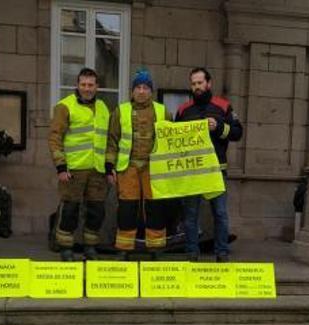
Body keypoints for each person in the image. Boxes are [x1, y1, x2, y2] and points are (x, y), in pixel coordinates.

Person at [175, 67, 243, 262]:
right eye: (193, 84)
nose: (196, 87)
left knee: (220, 214)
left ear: (209, 83)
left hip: (216, 171)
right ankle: (192, 253)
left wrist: (220, 127)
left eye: (200, 83)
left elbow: (238, 133)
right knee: (190, 216)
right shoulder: (183, 110)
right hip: (192, 172)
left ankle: (222, 253)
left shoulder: (223, 106)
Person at [48, 67, 113, 261]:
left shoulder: (103, 107)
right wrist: (60, 166)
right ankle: (65, 248)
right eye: (83, 85)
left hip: (98, 170)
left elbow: (108, 139)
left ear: (97, 86)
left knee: (96, 211)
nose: (87, 88)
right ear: (77, 85)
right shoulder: (65, 106)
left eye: (91, 85)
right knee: (70, 210)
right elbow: (55, 137)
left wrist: (109, 167)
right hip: (73, 169)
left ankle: (90, 248)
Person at [105, 69, 169, 258]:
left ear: (151, 91)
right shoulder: (121, 111)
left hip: (153, 168)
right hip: (128, 167)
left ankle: (155, 248)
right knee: (127, 208)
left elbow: (171, 140)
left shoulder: (163, 111)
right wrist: (110, 167)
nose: (141, 91)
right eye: (138, 87)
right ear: (132, 91)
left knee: (155, 208)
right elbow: (112, 140)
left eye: (145, 87)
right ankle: (124, 249)